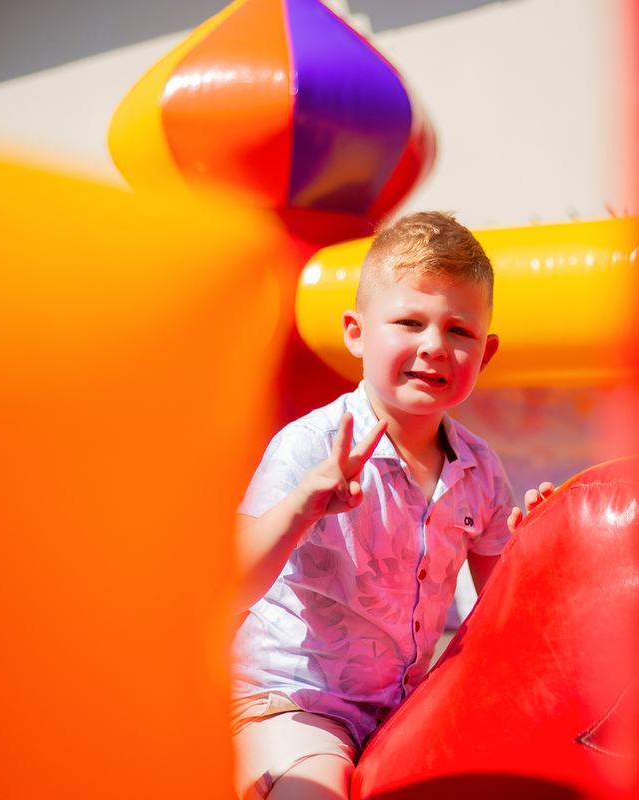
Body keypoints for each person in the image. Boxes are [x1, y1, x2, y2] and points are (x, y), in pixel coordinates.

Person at [230, 211, 555, 800]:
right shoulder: (312, 447)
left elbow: (508, 614)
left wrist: (544, 540)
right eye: (409, 322)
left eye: (460, 331)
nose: (435, 346)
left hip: (403, 713)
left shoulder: (479, 472)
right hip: (290, 702)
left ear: (487, 352)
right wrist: (304, 504)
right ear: (355, 332)